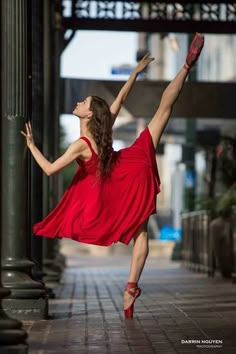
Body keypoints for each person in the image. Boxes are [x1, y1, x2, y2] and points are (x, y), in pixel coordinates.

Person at [21, 33, 204, 319]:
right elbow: (120, 98)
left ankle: (131, 289)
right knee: (162, 112)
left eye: (84, 102)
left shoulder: (81, 145)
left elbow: (49, 169)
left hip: (121, 179)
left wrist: (31, 146)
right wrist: (134, 73)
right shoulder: (102, 132)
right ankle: (186, 67)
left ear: (89, 115)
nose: (79, 103)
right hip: (132, 164)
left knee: (140, 232)